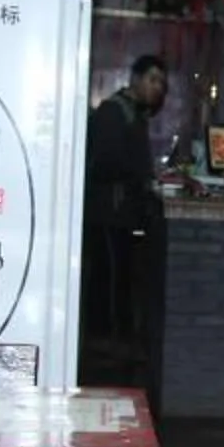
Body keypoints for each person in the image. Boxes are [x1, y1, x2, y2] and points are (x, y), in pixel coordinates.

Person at [83, 56, 169, 406]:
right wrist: (139, 176)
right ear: (134, 79)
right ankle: (106, 345)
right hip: (109, 211)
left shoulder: (133, 112)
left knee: (120, 277)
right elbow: (101, 163)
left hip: (122, 211)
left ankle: (116, 342)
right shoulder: (114, 112)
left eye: (161, 83)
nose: (156, 88)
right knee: (110, 276)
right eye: (152, 80)